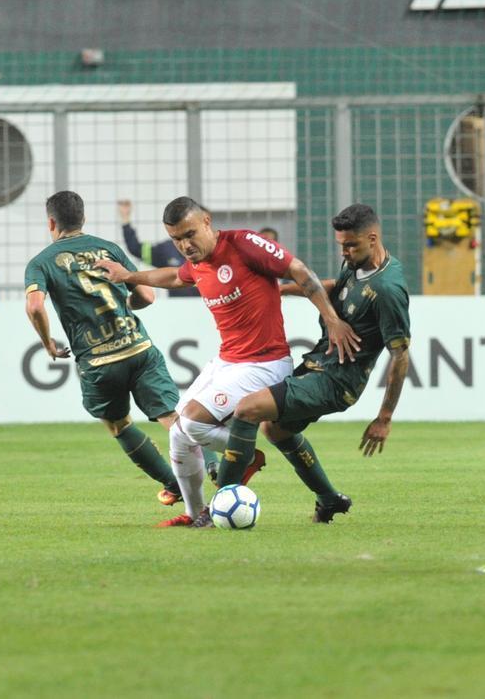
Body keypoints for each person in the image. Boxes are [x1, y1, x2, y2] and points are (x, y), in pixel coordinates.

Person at [97, 197, 360, 527]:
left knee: (192, 423)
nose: (185, 245)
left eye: (190, 234)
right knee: (178, 432)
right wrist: (128, 276)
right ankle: (196, 516)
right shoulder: (195, 261)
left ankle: (245, 454)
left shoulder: (243, 243)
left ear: (207, 221)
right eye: (177, 239)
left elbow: (298, 270)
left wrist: (332, 319)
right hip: (228, 361)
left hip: (264, 363)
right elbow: (175, 278)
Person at [228, 204, 412, 522]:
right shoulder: (357, 262)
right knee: (275, 430)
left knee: (247, 410)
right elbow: (335, 288)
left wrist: (384, 417)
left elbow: (400, 354)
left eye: (350, 245)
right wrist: (280, 291)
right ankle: (329, 499)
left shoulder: (387, 291)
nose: (344, 252)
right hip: (318, 364)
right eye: (341, 244)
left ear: (373, 237)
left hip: (336, 382)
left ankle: (221, 497)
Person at [24, 191, 187, 509]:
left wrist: (47, 342)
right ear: (83, 218)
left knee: (119, 424)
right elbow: (148, 297)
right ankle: (212, 467)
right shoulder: (109, 249)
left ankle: (172, 483)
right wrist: (128, 304)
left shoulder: (41, 263)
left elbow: (34, 307)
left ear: (51, 222)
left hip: (99, 361)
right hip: (138, 346)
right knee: (172, 417)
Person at [117, 200, 198, 297]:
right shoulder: (167, 249)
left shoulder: (211, 248)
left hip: (210, 306)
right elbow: (135, 249)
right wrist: (126, 220)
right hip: (178, 307)